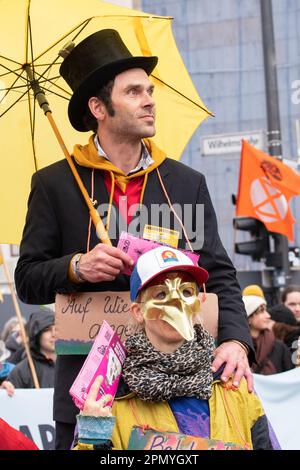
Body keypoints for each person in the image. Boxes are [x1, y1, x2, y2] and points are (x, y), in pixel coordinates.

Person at [15, 29, 254, 449]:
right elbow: (28, 278)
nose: (149, 99)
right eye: (133, 91)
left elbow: (218, 274)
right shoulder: (54, 184)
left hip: (180, 396)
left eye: (149, 89)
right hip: (91, 398)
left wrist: (236, 341)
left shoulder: (185, 183)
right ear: (98, 107)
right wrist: (76, 267)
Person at [73, 247, 276, 451]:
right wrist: (93, 438)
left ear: (197, 303)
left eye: (186, 291)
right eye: (161, 294)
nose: (176, 303)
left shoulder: (231, 381)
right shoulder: (111, 395)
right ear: (138, 311)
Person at [242, 295, 294, 375]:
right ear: (249, 317)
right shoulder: (238, 348)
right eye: (262, 311)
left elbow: (290, 376)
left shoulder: (278, 347)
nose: (268, 316)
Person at [7, 310, 56, 389]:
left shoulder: (69, 366)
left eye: (57, 329)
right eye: (47, 329)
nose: (54, 334)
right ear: (36, 334)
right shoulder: (20, 372)